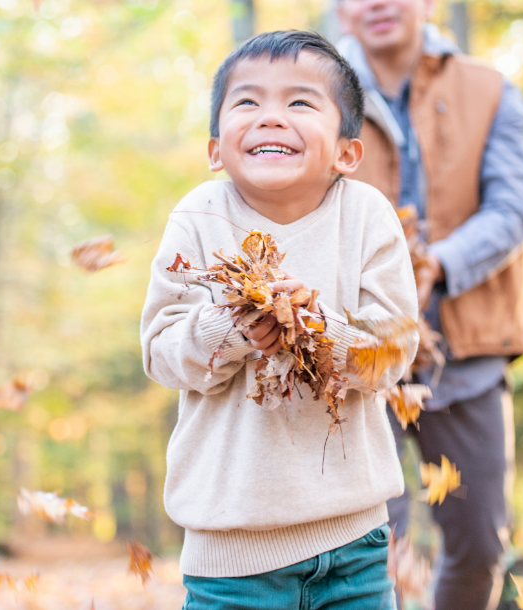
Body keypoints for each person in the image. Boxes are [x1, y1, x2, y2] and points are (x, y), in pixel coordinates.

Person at [141, 30, 418, 609]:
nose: (270, 117)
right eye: (247, 102)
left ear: (347, 150)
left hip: (355, 545)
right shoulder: (197, 217)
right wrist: (231, 329)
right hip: (231, 554)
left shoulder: (367, 216)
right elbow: (162, 352)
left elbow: (392, 355)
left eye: (299, 102)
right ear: (216, 148)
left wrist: (318, 330)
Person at [335, 0, 523, 610]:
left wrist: (435, 265)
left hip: (468, 348)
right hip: (355, 353)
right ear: (343, 11)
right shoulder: (318, 98)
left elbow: (514, 207)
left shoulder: (491, 89)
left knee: (481, 542)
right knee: (364, 542)